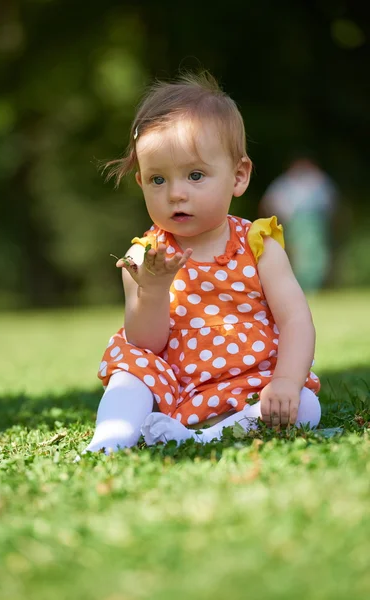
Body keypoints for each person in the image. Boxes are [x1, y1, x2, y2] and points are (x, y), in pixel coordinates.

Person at [84, 72, 321, 455]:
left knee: (306, 407)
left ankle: (204, 438)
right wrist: (154, 289)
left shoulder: (258, 244)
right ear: (142, 183)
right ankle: (110, 440)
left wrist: (287, 381)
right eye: (158, 180)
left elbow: (295, 319)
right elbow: (146, 344)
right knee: (129, 372)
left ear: (238, 176)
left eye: (195, 175)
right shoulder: (144, 256)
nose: (176, 193)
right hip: (172, 384)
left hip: (251, 381)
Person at [259, 155, 338, 292]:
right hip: (297, 223)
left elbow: (330, 203)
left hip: (314, 222)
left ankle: (311, 286)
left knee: (316, 255)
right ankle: (304, 286)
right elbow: (270, 203)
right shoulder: (287, 182)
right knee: (301, 255)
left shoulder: (317, 180)